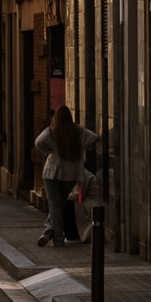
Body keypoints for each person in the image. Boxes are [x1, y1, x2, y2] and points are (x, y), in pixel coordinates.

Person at [34, 106, 97, 250]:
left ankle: (56, 237)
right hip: (70, 173)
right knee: (60, 204)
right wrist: (83, 147)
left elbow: (38, 142)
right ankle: (50, 230)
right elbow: (94, 137)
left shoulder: (51, 131)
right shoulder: (78, 131)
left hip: (51, 172)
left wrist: (48, 150)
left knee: (55, 205)